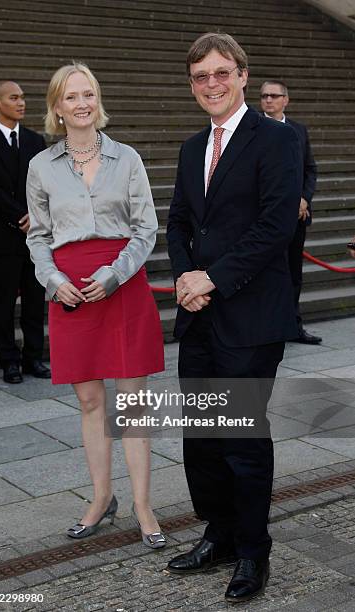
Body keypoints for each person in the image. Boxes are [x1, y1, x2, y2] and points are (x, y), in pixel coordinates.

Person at [166, 33, 302, 603]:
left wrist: (212, 278)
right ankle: (218, 533)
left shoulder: (278, 139)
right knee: (201, 438)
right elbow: (176, 222)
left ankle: (253, 551)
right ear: (193, 84)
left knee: (241, 438)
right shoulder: (193, 145)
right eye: (201, 76)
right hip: (199, 317)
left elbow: (275, 227)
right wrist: (184, 277)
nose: (212, 84)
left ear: (243, 75)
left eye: (223, 72)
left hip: (249, 317)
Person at [26, 63, 166, 548]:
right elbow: (39, 236)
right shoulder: (40, 166)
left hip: (121, 281)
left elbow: (146, 229)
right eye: (71, 97)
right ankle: (101, 497)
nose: (82, 103)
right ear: (57, 107)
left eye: (88, 94)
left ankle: (144, 505)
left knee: (133, 405)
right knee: (90, 402)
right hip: (69, 290)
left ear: (97, 100)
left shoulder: (126, 158)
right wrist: (52, 278)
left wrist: (111, 276)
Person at [0, 81, 50, 383]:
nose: (21, 103)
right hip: (3, 236)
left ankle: (33, 358)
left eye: (22, 97)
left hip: (34, 236)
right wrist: (21, 215)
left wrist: (35, 215)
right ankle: (8, 360)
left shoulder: (35, 140)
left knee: (35, 302)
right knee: (4, 303)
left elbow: (45, 183)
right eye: (13, 98)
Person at [260, 79, 321, 345]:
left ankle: (294, 326)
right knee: (267, 275)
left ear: (286, 99)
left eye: (274, 96)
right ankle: (268, 327)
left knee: (293, 273)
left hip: (297, 218)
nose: (268, 100)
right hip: (264, 219)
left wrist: (304, 199)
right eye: (264, 96)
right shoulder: (251, 129)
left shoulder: (299, 130)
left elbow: (310, 169)